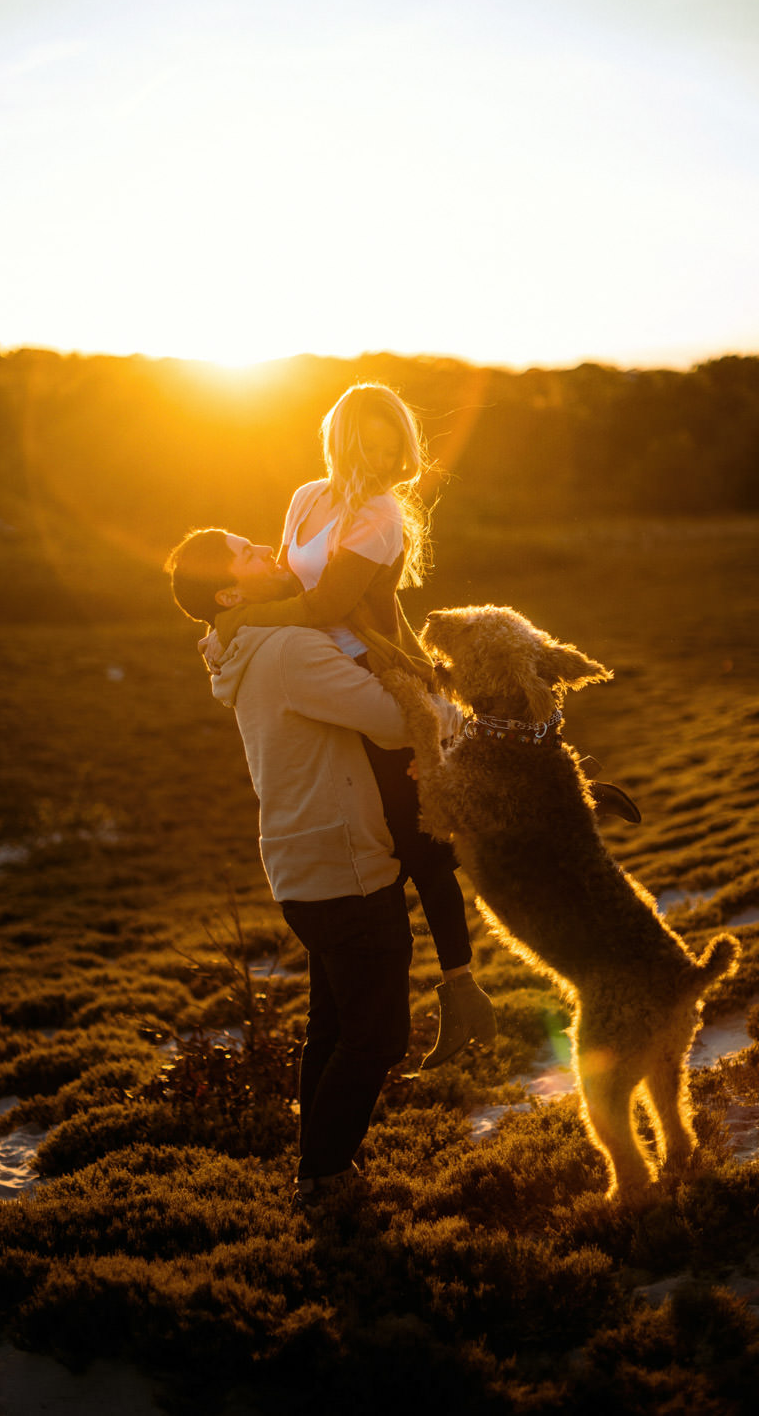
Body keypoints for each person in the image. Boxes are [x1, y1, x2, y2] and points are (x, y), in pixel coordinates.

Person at [164, 526, 464, 1211]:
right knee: (380, 1036)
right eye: (250, 554)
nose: (269, 552)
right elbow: (394, 721)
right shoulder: (289, 647)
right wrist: (458, 716)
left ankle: (320, 1168)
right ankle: (325, 1178)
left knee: (332, 1028)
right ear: (229, 591)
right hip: (346, 864)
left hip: (302, 865)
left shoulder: (237, 647)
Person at [200, 383, 497, 1068]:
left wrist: (238, 623)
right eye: (373, 437)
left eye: (396, 441)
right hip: (317, 678)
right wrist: (238, 631)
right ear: (343, 436)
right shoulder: (308, 497)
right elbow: (286, 585)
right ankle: (401, 1003)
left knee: (417, 839)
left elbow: (327, 601)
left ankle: (462, 992)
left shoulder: (382, 515)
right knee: (383, 835)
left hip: (371, 672)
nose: (386, 452)